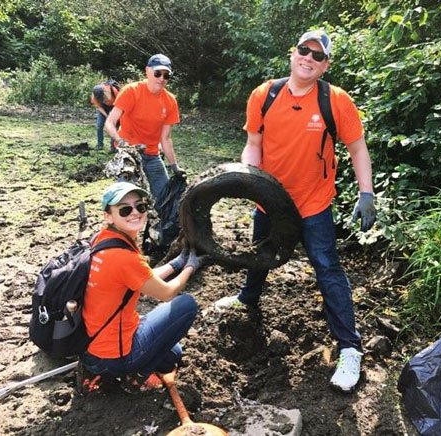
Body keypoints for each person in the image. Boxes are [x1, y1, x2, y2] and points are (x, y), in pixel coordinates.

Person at [214, 30, 376, 392]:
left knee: (327, 268)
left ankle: (350, 348)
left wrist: (367, 193)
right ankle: (247, 300)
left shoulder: (336, 101)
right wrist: (248, 180)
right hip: (269, 200)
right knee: (261, 255)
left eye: (317, 56)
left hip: (314, 202)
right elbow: (253, 144)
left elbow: (358, 148)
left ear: (325, 65)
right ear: (293, 53)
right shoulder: (265, 95)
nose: (308, 58)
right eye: (304, 50)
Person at [77, 181, 204, 395]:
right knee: (186, 304)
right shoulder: (123, 257)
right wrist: (191, 267)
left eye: (140, 206)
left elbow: (141, 281)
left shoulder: (102, 241)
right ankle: (136, 377)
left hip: (92, 347)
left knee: (173, 353)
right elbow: (166, 293)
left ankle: (101, 370)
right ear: (107, 215)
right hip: (113, 356)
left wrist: (176, 263)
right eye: (125, 209)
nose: (135, 213)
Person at [104, 54, 186, 204]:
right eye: (157, 73)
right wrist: (121, 142)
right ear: (147, 71)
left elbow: (165, 138)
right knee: (125, 199)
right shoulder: (131, 91)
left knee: (166, 199)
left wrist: (174, 166)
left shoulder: (170, 101)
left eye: (166, 75)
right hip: (129, 154)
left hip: (152, 155)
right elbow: (109, 123)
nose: (161, 78)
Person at [91, 79, 120, 150]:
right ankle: (99, 144)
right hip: (103, 109)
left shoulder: (114, 91)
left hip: (115, 107)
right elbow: (99, 107)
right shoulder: (95, 96)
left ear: (104, 92)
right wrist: (107, 116)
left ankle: (113, 147)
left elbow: (119, 104)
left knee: (114, 126)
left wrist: (112, 117)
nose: (102, 99)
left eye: (103, 97)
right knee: (99, 125)